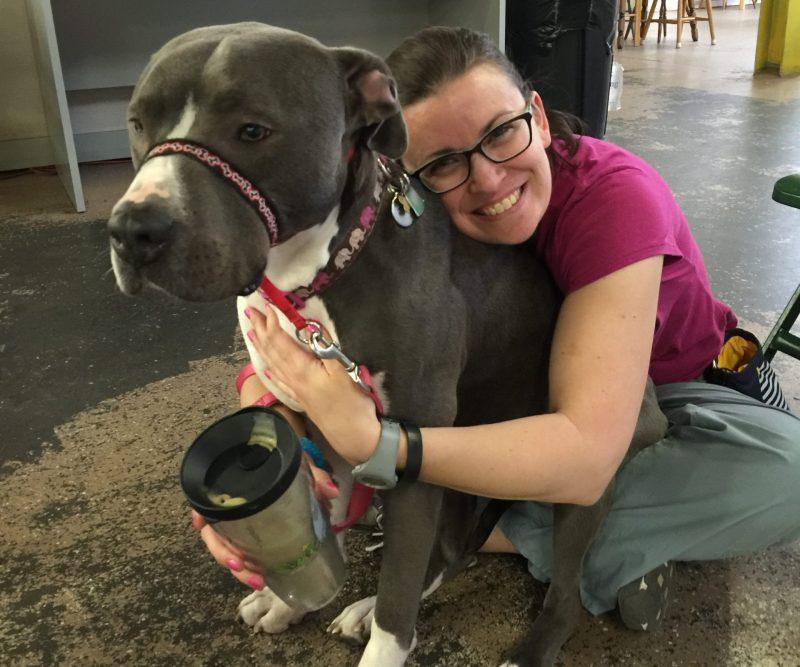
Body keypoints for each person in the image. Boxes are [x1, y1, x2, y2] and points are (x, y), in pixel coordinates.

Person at [193, 26, 800, 630]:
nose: (486, 179)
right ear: (400, 170)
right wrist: (270, 401)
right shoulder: (409, 209)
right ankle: (601, 535)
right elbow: (334, 316)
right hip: (522, 383)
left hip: (688, 384)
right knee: (403, 434)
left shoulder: (614, 199)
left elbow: (588, 453)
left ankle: (517, 538)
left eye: (501, 133)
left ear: (535, 111)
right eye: (443, 163)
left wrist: (380, 451)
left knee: (785, 475)